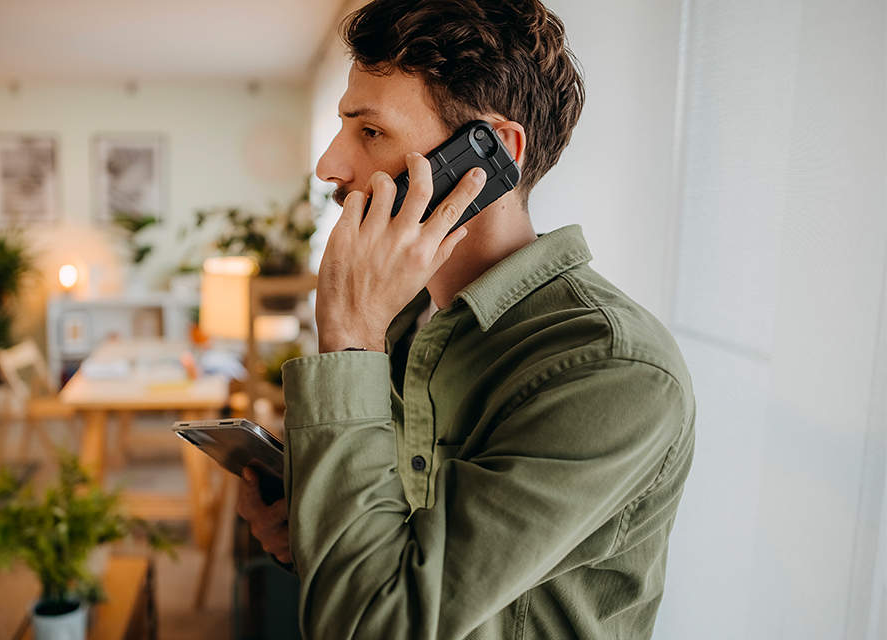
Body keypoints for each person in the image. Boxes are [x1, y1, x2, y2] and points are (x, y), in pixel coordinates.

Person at [235, 1, 696, 638]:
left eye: (370, 133)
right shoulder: (402, 327)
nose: (330, 168)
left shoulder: (614, 370)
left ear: (488, 158)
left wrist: (348, 342)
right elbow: (390, 562)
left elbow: (375, 626)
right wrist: (310, 525)